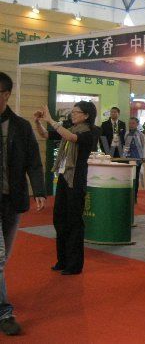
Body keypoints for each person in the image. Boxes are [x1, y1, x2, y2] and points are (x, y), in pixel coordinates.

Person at [0, 72, 46, 336]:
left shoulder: (20, 126)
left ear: (6, 94)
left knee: (4, 257)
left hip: (12, 200)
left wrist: (38, 190)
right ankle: (4, 313)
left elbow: (33, 161)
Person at [34, 101, 98, 275]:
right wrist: (38, 122)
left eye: (76, 112)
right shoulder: (70, 128)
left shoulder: (89, 133)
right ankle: (62, 260)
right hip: (64, 178)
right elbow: (46, 135)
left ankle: (74, 265)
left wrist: (50, 119)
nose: (72, 114)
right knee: (59, 219)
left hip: (75, 180)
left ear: (86, 115)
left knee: (74, 222)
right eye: (73, 111)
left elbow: (71, 138)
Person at [123, 117, 145, 202]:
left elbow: (143, 147)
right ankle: (127, 196)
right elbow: (125, 146)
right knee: (127, 177)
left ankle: (134, 197)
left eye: (133, 123)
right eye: (130, 123)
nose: (131, 125)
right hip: (128, 158)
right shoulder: (126, 133)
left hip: (137, 159)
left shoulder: (141, 135)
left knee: (135, 178)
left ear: (137, 124)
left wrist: (142, 158)